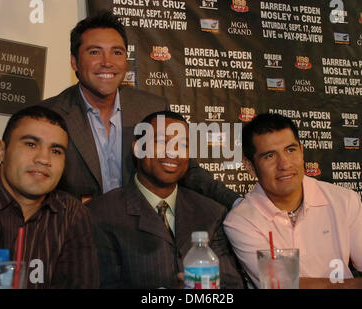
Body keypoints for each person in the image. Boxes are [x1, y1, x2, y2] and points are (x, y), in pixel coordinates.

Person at [41, 10, 239, 208]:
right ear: (74, 61)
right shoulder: (49, 115)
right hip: (76, 230)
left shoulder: (151, 108)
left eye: (116, 52)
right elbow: (32, 184)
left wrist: (237, 203)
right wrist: (79, 205)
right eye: (94, 52)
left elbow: (189, 171)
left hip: (141, 232)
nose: (107, 62)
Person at [223, 113, 362, 289]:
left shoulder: (344, 200)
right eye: (270, 156)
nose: (284, 164)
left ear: (302, 152)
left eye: (290, 150)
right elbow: (286, 285)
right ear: (250, 166)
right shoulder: (241, 220)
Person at [89, 111, 244, 288]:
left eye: (182, 144)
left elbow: (231, 285)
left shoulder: (211, 213)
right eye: (161, 142)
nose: (172, 151)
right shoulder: (101, 214)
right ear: (138, 147)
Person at [0, 106, 98, 288]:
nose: (43, 159)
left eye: (56, 151)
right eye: (31, 144)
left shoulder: (72, 214)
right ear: (1, 151)